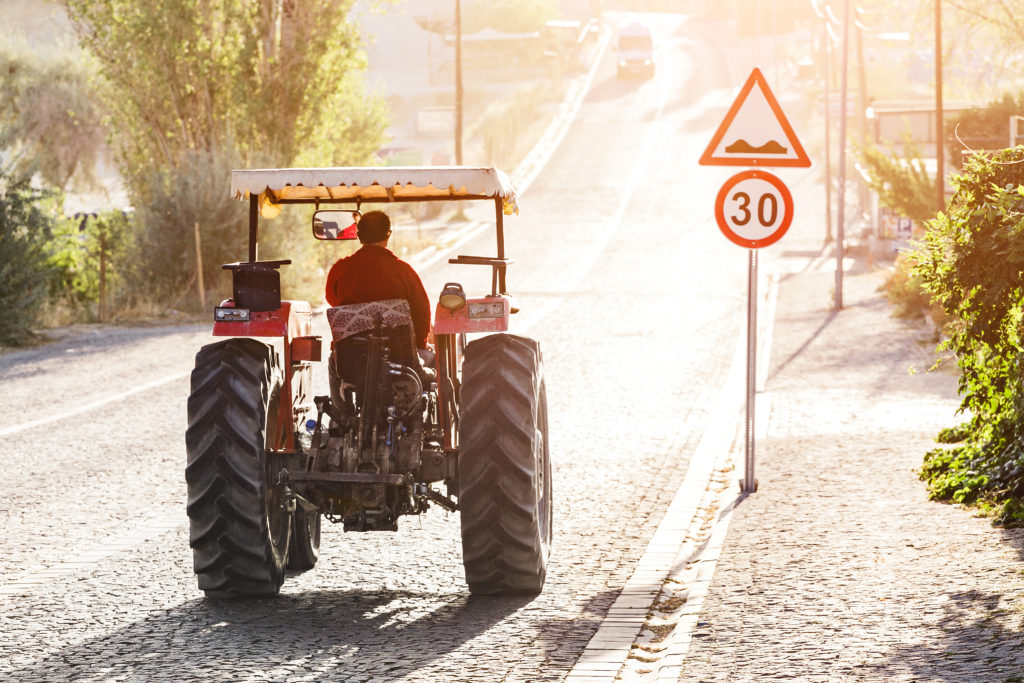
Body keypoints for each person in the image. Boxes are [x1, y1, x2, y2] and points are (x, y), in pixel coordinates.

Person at [325, 210, 431, 349]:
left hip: (348, 359)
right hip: (399, 356)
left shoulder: (340, 269)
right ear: (388, 235)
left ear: (358, 236)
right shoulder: (404, 271)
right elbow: (421, 313)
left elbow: (333, 301)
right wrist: (420, 345)